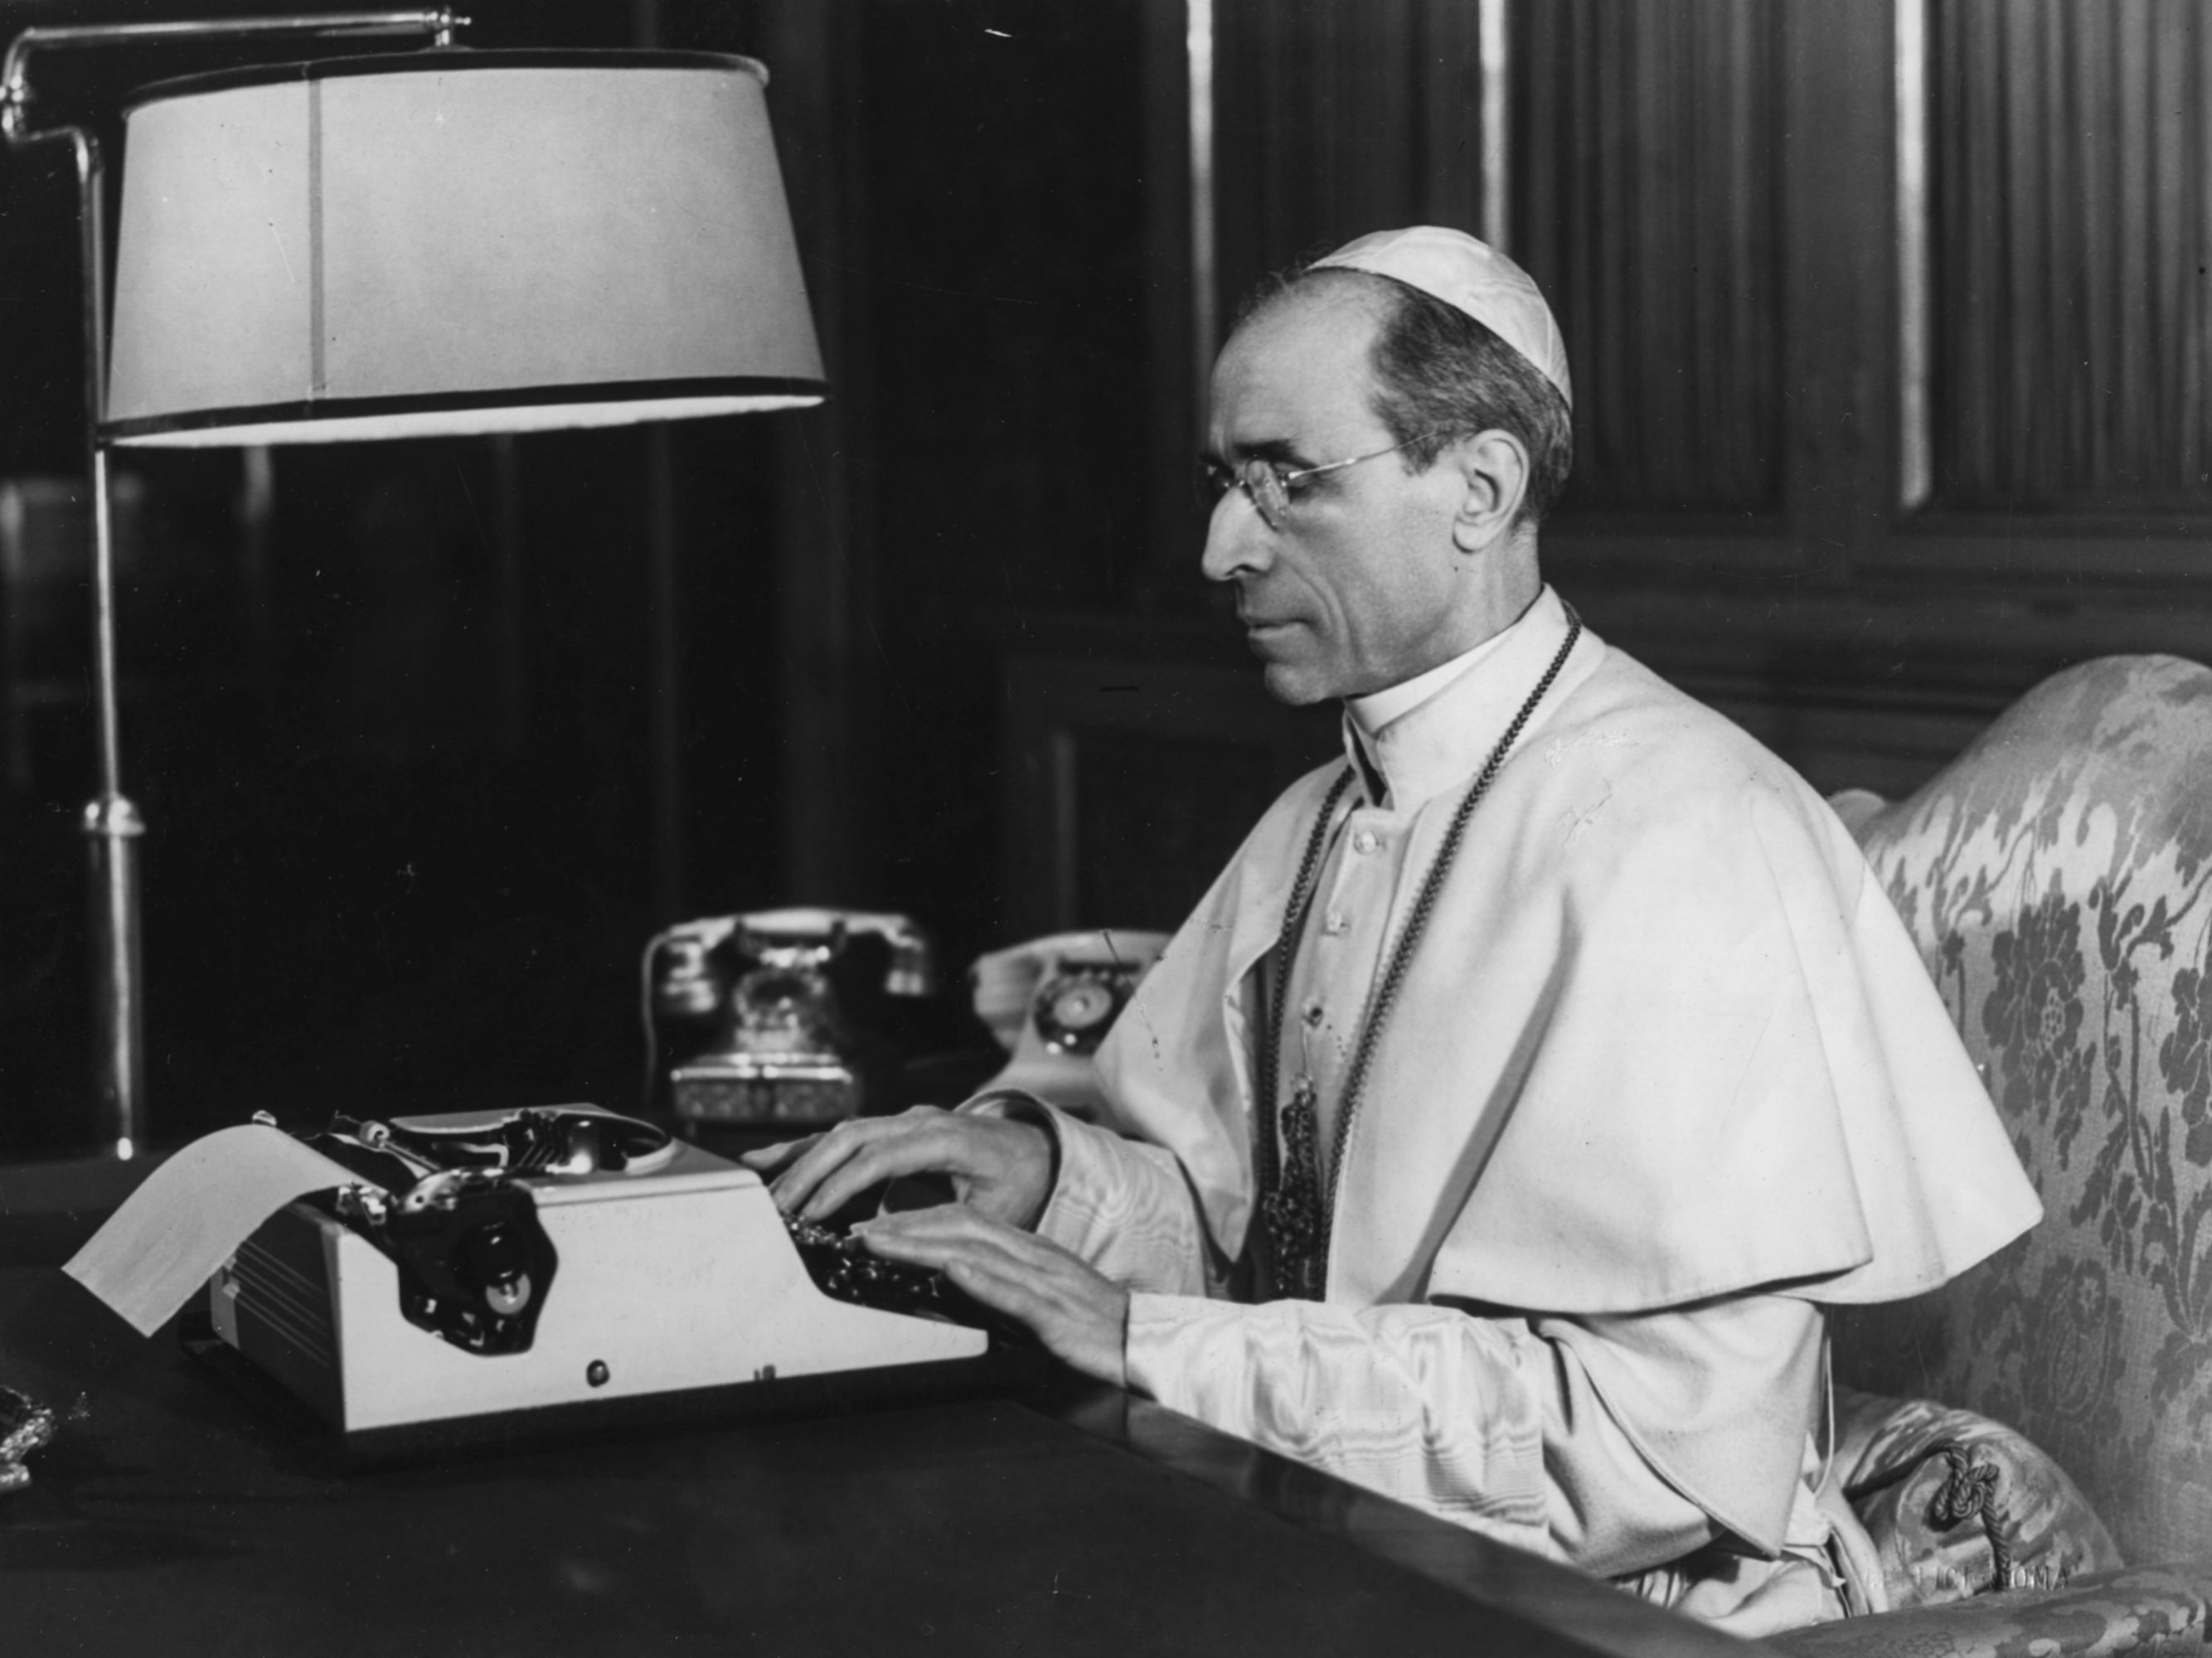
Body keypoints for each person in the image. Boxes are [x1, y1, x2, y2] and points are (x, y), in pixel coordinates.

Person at [745, 226, 2041, 1635]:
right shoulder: (1321, 810)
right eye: (1224, 481)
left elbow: (1638, 1459)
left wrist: (1142, 1338)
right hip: (1348, 1548)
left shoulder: (1690, 832)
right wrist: (1048, 1184)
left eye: (1290, 481)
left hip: (1623, 1614)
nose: (1222, 549)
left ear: (1480, 488)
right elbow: (1273, 1246)